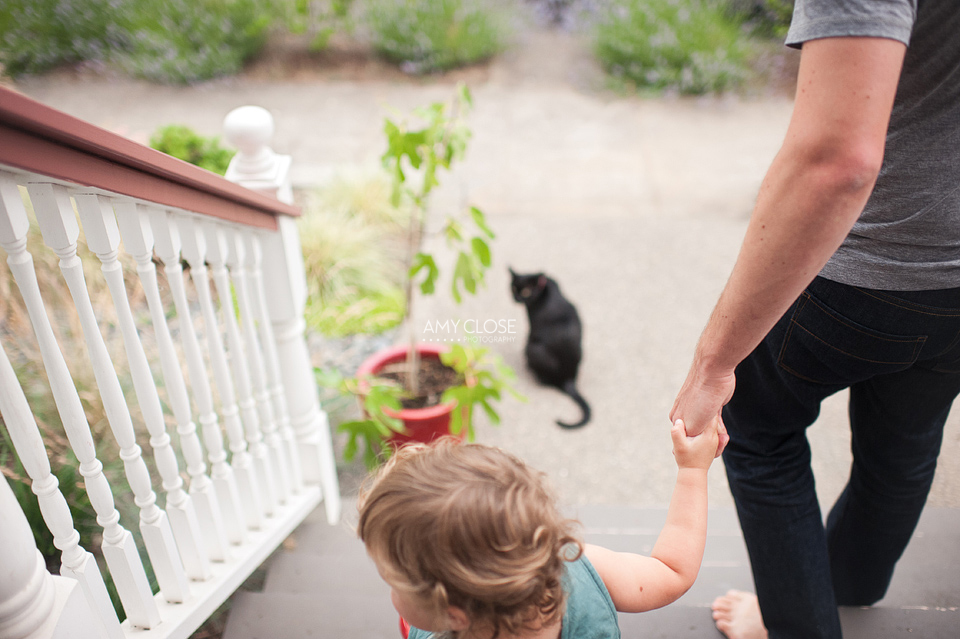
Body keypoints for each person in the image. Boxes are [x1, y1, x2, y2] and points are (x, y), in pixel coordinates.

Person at [669, 1, 960, 638]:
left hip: (866, 265)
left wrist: (714, 363)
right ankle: (848, 587)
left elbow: (837, 163)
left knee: (759, 430)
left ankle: (793, 618)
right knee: (906, 440)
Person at [357, 421, 719, 639]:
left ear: (454, 615)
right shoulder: (582, 569)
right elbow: (672, 570)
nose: (389, 591)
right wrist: (692, 470)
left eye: (394, 583)